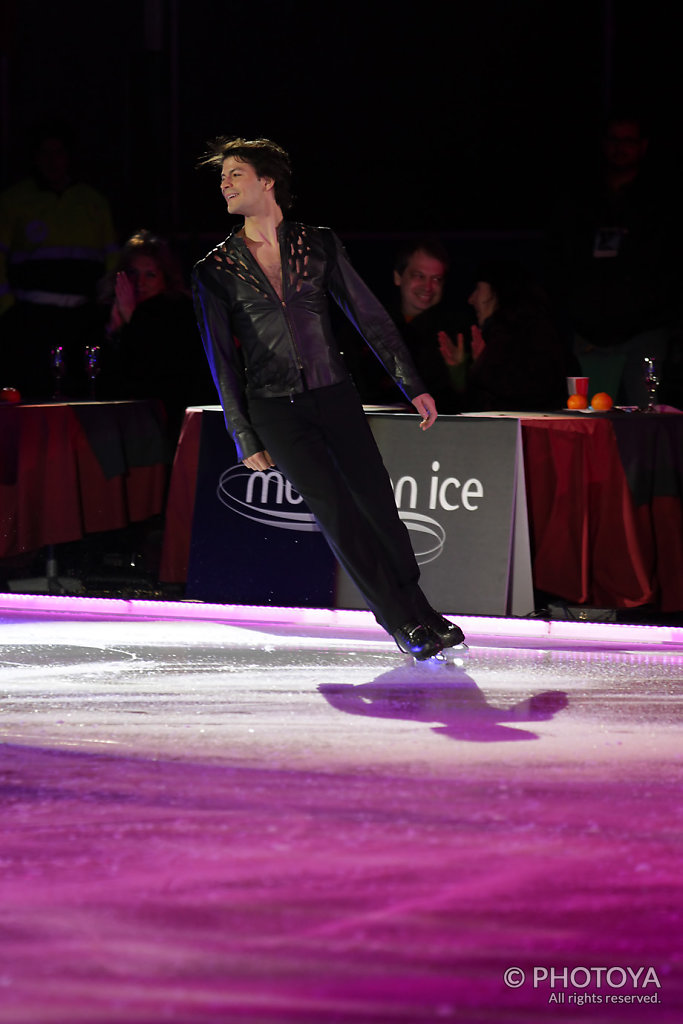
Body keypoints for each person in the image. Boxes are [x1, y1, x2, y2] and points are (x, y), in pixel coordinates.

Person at [191, 136, 465, 660]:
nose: (224, 183)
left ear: (267, 181)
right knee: (338, 515)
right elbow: (221, 361)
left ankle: (422, 612)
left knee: (379, 508)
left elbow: (370, 317)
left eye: (235, 173)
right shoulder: (215, 270)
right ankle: (405, 624)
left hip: (335, 396)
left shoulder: (317, 244)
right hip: (276, 411)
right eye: (222, 176)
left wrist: (413, 383)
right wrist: (241, 431)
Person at [545, 113, 682, 406]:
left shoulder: (660, 200)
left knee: (649, 415)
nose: (620, 147)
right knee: (590, 417)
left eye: (628, 141)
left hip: (645, 331)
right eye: (614, 140)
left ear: (643, 145)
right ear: (603, 144)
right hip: (590, 331)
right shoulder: (582, 197)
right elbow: (561, 257)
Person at [0, 117, 118, 398]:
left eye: (59, 153)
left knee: (82, 392)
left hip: (83, 320)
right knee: (35, 391)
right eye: (45, 153)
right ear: (35, 158)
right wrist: (7, 310)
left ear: (69, 157)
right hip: (31, 320)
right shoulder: (14, 201)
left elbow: (112, 260)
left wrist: (104, 308)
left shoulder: (93, 202)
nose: (52, 161)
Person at [99, 229, 213, 445]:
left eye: (150, 274)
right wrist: (114, 331)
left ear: (165, 278)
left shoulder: (179, 312)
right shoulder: (109, 308)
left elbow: (156, 374)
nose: (139, 282)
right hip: (117, 422)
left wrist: (131, 320)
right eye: (132, 273)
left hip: (167, 426)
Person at [464, 259, 574, 411]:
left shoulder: (520, 335)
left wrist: (481, 367)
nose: (471, 299)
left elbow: (525, 392)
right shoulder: (540, 328)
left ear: (498, 289)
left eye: (478, 288)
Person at [390, 238, 470, 412]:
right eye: (419, 276)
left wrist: (459, 371)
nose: (428, 287)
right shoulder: (374, 326)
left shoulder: (456, 332)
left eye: (436, 279)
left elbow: (466, 399)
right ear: (398, 277)